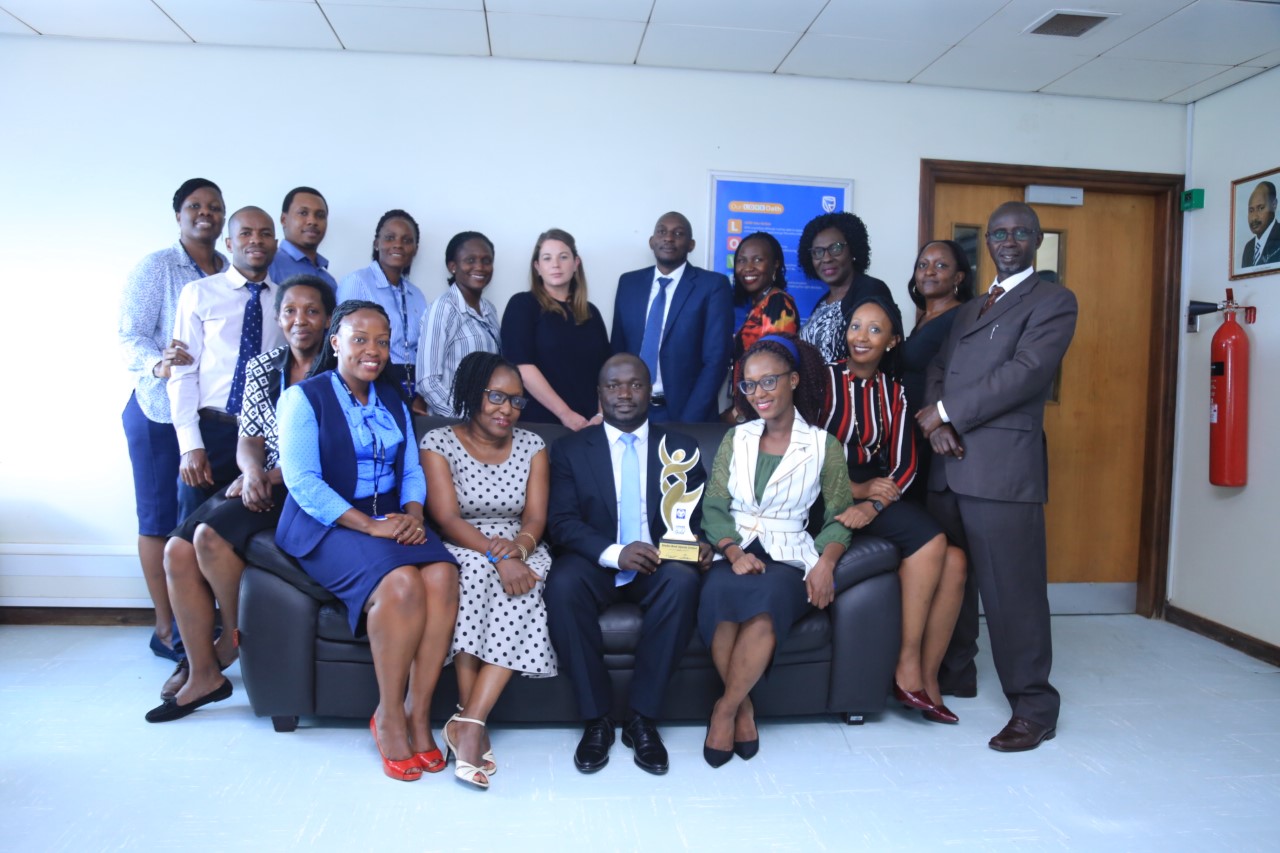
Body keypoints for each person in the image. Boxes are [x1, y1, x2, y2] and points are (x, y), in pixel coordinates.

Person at [917, 201, 1078, 752]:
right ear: (985, 242)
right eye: (998, 234)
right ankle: (958, 672)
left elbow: (1025, 374)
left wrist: (947, 414)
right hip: (950, 466)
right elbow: (939, 366)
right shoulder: (974, 305)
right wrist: (936, 423)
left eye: (1019, 233)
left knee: (1014, 592)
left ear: (1036, 240)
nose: (1008, 241)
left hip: (1002, 471)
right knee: (955, 582)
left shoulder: (1053, 301)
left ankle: (1034, 705)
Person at [275, 300, 459, 781]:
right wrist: (369, 524)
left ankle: (420, 715)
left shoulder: (394, 399)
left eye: (382, 340)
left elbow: (412, 470)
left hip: (392, 515)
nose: (372, 351)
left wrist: (415, 513)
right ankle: (389, 715)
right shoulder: (304, 398)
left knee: (441, 574)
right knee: (401, 584)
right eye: (360, 339)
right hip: (327, 523)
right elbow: (304, 483)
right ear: (335, 342)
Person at [146, 276, 335, 721]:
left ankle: (230, 639)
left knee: (209, 538)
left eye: (311, 311)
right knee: (176, 549)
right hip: (262, 480)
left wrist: (265, 477)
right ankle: (203, 672)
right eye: (290, 311)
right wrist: (251, 472)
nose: (299, 320)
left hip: (305, 486)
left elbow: (330, 448)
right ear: (278, 318)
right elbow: (248, 435)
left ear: (328, 320)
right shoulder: (263, 365)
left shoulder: (338, 371)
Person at [545, 354, 707, 776]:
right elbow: (561, 523)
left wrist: (703, 546)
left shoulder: (682, 448)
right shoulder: (569, 451)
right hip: (597, 561)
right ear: (599, 394)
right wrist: (616, 552)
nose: (623, 393)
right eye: (613, 385)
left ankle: (641, 720)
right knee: (562, 583)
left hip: (659, 564)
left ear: (649, 392)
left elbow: (696, 520)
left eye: (634, 385)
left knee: (683, 581)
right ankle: (596, 719)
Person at [699, 334, 852, 767]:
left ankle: (723, 710)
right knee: (719, 599)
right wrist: (731, 552)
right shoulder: (737, 438)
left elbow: (840, 514)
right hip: (738, 546)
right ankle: (743, 708)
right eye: (749, 385)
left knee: (765, 607)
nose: (759, 393)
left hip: (789, 554)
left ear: (794, 380)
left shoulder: (824, 446)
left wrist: (826, 563)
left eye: (769, 382)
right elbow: (713, 504)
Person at [817, 295, 967, 724]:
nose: (862, 337)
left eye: (875, 330)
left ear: (892, 341)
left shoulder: (894, 392)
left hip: (875, 492)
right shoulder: (820, 382)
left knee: (955, 561)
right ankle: (905, 667)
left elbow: (905, 464)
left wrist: (875, 502)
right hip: (823, 490)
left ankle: (927, 679)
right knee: (934, 539)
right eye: (856, 327)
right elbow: (805, 455)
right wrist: (858, 491)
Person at [420, 352, 556, 789]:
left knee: (526, 587)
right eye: (497, 397)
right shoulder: (437, 442)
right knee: (475, 577)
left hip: (520, 543)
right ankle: (469, 717)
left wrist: (516, 551)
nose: (507, 410)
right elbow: (447, 519)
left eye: (517, 402)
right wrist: (498, 558)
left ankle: (469, 722)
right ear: (472, 394)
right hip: (465, 543)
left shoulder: (533, 446)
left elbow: (535, 518)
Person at [119, 177, 227, 662]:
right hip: (157, 411)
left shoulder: (228, 271)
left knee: (193, 522)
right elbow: (129, 335)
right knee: (158, 519)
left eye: (214, 207)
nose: (206, 213)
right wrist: (157, 364)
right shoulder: (158, 268)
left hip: (205, 417)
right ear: (178, 215)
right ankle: (165, 627)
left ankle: (195, 623)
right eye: (195, 206)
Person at [169, 206, 285, 509]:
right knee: (190, 532)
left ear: (275, 243)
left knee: (249, 532)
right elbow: (182, 373)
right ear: (230, 243)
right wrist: (190, 445)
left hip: (263, 438)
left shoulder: (287, 303)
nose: (256, 240)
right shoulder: (198, 293)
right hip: (211, 431)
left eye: (265, 234)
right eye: (245, 233)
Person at [610, 212, 733, 422]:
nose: (668, 238)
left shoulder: (712, 286)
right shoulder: (629, 283)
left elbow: (716, 360)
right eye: (662, 232)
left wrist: (688, 421)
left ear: (691, 244)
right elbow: (617, 351)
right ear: (652, 241)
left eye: (678, 233)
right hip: (631, 411)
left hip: (686, 414)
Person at [500, 228, 610, 429]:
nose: (556, 265)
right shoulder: (523, 305)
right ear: (537, 267)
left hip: (590, 426)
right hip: (541, 426)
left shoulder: (591, 312)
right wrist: (565, 414)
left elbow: (607, 370)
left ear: (576, 263)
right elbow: (521, 366)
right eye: (547, 258)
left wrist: (602, 415)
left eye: (563, 257)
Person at [900, 240, 975, 500]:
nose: (929, 271)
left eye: (940, 266)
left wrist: (941, 421)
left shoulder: (963, 317)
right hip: (914, 430)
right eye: (923, 265)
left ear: (959, 277)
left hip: (937, 432)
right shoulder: (924, 317)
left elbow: (962, 376)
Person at [337, 209, 428, 399]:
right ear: (376, 243)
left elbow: (422, 350)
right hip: (373, 380)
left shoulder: (416, 295)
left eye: (407, 240)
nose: (398, 245)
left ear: (415, 249)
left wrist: (420, 394)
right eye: (390, 237)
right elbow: (348, 344)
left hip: (414, 387)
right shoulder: (357, 282)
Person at [415, 231, 503, 416]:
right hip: (453, 427)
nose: (480, 267)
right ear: (452, 266)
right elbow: (427, 381)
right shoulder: (443, 308)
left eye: (486, 261)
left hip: (486, 421)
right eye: (470, 260)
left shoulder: (490, 310)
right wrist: (465, 418)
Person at [723, 231, 799, 423]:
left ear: (775, 264)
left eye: (758, 260)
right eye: (741, 261)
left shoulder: (778, 304)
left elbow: (773, 370)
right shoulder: (758, 304)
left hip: (762, 411)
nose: (748, 268)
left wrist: (739, 413)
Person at [796, 212, 892, 363]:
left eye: (835, 248)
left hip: (851, 386)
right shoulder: (822, 302)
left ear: (852, 250)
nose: (826, 258)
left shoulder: (871, 290)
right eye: (818, 252)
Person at [268, 186, 337, 291]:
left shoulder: (329, 281)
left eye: (320, 215)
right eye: (303, 213)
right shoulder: (269, 265)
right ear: (283, 220)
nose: (312, 221)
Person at [1242, 181, 1280, 267]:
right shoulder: (1248, 248)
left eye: (1261, 208)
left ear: (1274, 205)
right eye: (1251, 210)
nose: (1254, 217)